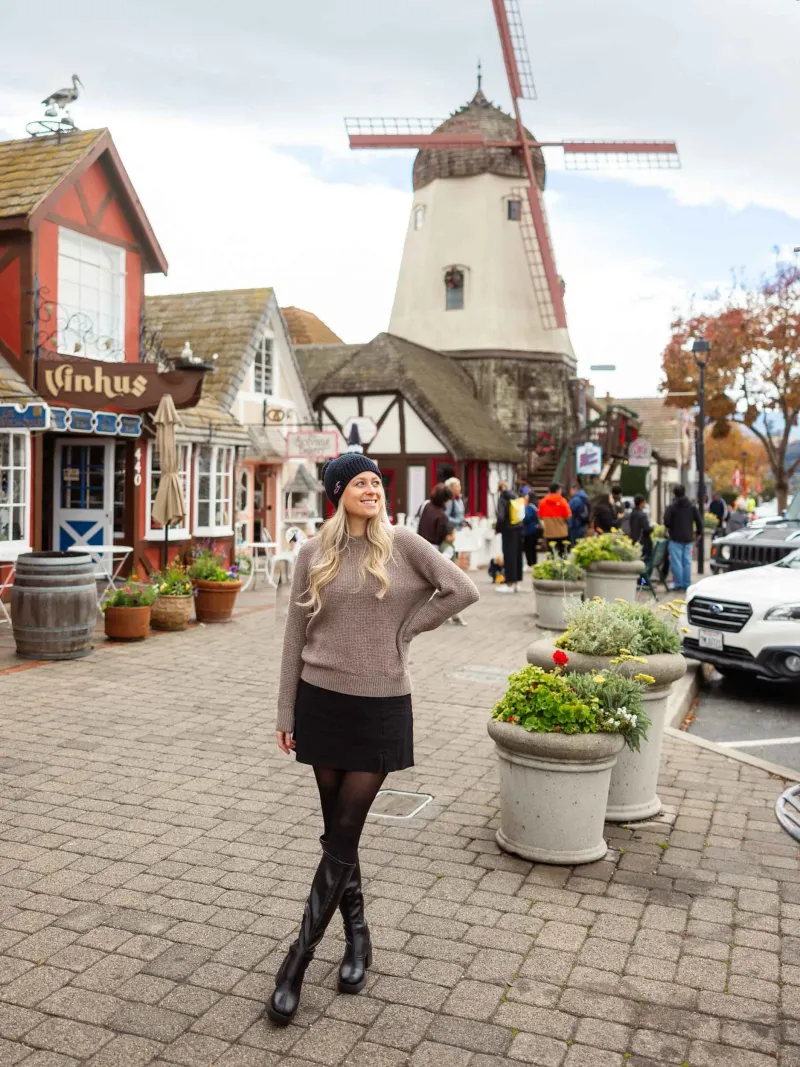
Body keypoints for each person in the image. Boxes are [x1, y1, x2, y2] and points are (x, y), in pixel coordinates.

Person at [271, 452, 478, 1025]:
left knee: (344, 831)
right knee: (339, 834)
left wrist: (406, 629)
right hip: (320, 700)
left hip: (381, 703)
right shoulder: (313, 553)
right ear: (338, 492)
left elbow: (461, 589)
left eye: (375, 482)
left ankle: (295, 963)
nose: (371, 489)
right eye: (359, 482)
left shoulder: (404, 543)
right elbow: (294, 634)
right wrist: (285, 709)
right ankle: (358, 939)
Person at [663, 484, 702, 592]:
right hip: (688, 537)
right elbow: (699, 521)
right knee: (687, 561)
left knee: (676, 562)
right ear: (684, 492)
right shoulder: (691, 506)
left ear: (674, 493)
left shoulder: (672, 507)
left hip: (675, 537)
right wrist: (698, 533)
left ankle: (679, 584)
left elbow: (666, 522)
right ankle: (686, 584)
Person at [495, 480, 524, 592]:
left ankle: (510, 584)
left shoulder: (502, 498)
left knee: (509, 556)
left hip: (508, 531)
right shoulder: (515, 496)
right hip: (518, 529)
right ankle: (517, 583)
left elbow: (501, 517)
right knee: (517, 556)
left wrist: (497, 529)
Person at [440, 523, 468, 626]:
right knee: (455, 597)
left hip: (447, 576)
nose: (455, 537)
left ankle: (448, 616)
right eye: (454, 535)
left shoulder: (444, 545)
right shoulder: (449, 548)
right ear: (448, 537)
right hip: (450, 576)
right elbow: (444, 560)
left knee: (449, 596)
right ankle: (456, 617)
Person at [538, 482, 571, 557]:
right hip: (562, 532)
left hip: (549, 532)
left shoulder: (543, 502)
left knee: (551, 554)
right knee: (562, 554)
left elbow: (540, 516)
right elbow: (568, 516)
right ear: (558, 490)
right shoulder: (563, 501)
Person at [628, 494, 653, 567]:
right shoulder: (642, 515)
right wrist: (653, 527)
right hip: (643, 542)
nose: (645, 503)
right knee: (647, 562)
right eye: (644, 502)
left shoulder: (632, 513)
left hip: (634, 540)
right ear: (641, 503)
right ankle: (644, 575)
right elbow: (647, 529)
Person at [522, 492, 542, 569]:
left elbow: (527, 518)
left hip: (529, 530)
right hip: (535, 530)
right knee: (533, 548)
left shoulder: (529, 507)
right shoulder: (536, 505)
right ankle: (534, 563)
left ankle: (530, 564)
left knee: (528, 548)